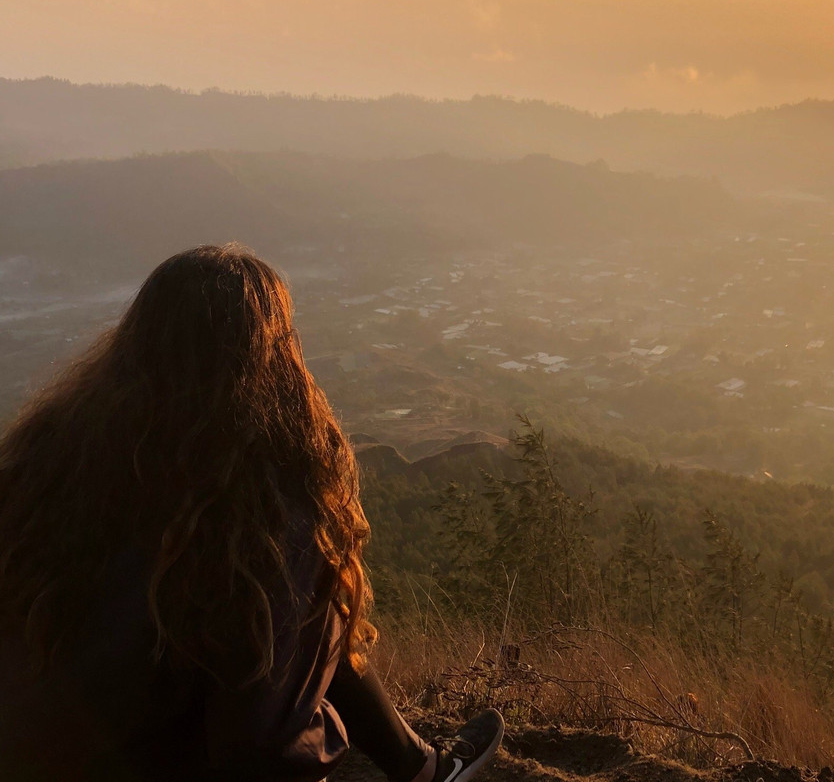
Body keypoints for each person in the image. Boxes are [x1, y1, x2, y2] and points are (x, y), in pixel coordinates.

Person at [0, 244, 503, 782]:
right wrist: (332, 728)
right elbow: (261, 752)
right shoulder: (261, 506)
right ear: (269, 358)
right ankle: (424, 771)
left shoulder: (47, 465)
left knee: (307, 603)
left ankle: (422, 768)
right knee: (310, 602)